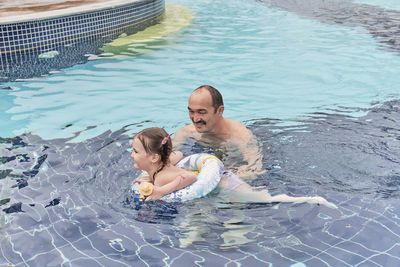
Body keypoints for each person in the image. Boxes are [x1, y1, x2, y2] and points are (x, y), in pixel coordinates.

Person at [173, 85, 263, 177]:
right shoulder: (186, 133)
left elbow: (254, 169)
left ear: (220, 111)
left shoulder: (241, 137)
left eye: (201, 112)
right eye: (191, 112)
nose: (195, 119)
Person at [131, 127, 196, 200]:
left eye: (136, 151)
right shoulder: (165, 162)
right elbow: (179, 154)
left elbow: (191, 176)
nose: (131, 155)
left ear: (154, 158)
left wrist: (161, 191)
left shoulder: (160, 179)